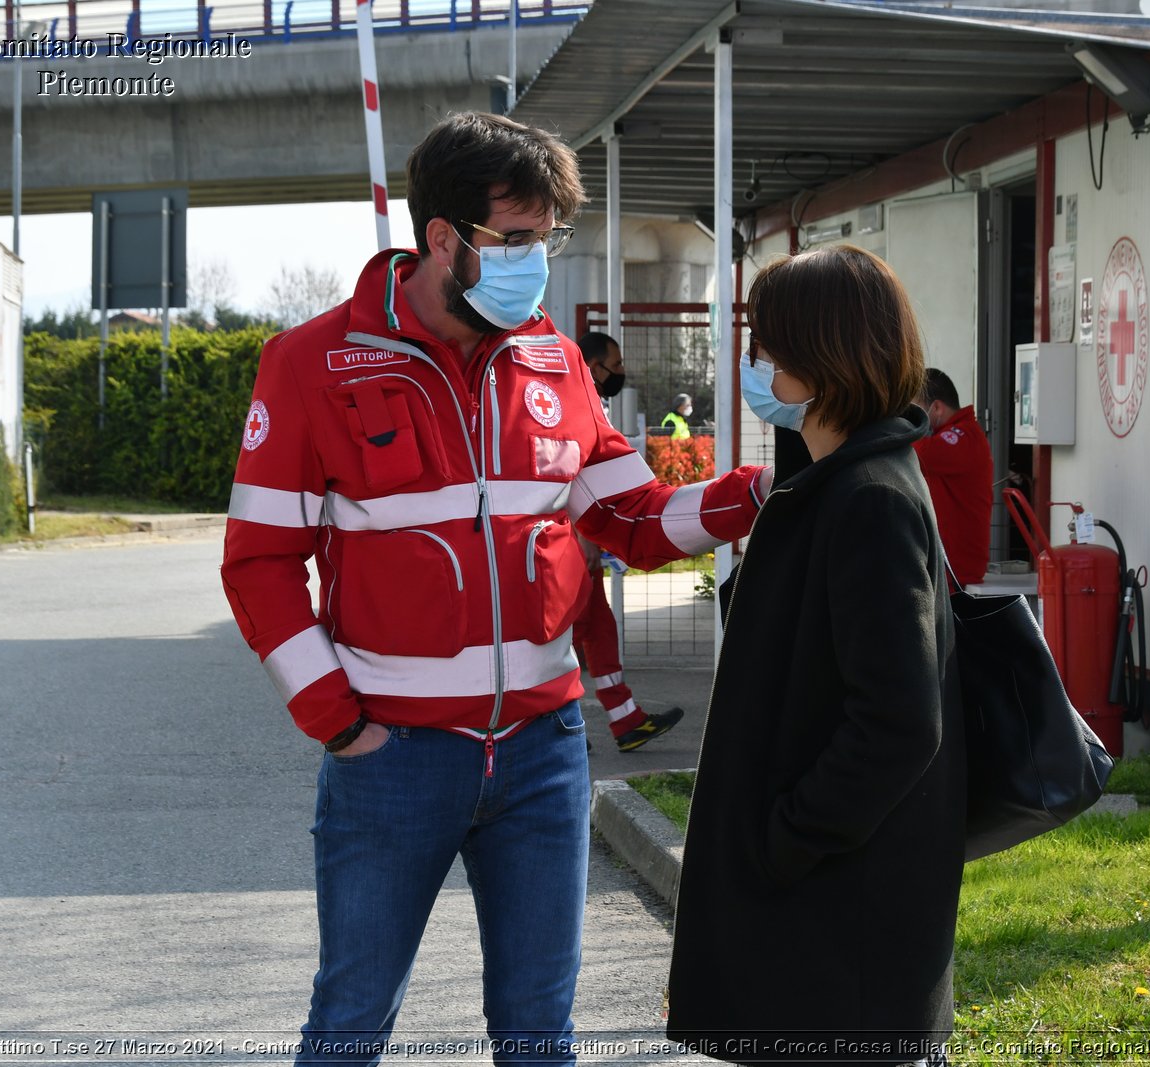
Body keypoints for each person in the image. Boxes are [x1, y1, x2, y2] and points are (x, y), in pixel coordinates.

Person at [220, 112, 771, 1065]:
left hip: (543, 754)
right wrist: (339, 720)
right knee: (351, 1020)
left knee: (538, 1031)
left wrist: (760, 493)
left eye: (547, 241)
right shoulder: (309, 363)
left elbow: (633, 519)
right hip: (390, 759)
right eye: (514, 241)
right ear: (442, 238)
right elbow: (260, 560)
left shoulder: (554, 359)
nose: (536, 264)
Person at [667, 245, 964, 1067]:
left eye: (766, 344)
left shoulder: (867, 500)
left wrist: (786, 837)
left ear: (820, 354)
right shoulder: (838, 480)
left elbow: (900, 722)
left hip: (840, 922)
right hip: (828, 911)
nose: (754, 364)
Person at [575, 330, 686, 751]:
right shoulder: (578, 403)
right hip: (575, 536)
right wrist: (587, 537)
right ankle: (555, 724)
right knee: (573, 631)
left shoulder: (590, 400)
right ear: (594, 367)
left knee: (598, 630)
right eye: (616, 365)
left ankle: (627, 722)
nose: (621, 373)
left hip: (582, 536)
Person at [913, 368, 993, 587]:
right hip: (944, 570)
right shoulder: (958, 437)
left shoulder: (964, 437)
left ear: (936, 407)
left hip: (957, 575)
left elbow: (917, 453)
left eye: (915, 410)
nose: (911, 419)